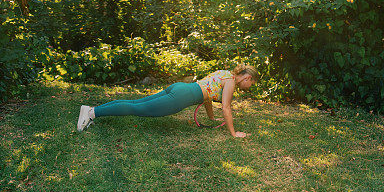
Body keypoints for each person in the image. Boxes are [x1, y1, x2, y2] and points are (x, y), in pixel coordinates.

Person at [76, 64, 259, 138]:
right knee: (137, 109)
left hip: (181, 87)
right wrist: (234, 133)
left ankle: (91, 110)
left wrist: (211, 119)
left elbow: (208, 99)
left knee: (136, 103)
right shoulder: (230, 82)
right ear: (246, 78)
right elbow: (226, 107)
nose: (249, 86)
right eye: (251, 82)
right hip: (183, 96)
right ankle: (92, 113)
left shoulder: (224, 73)